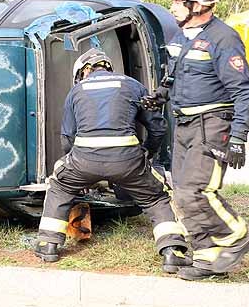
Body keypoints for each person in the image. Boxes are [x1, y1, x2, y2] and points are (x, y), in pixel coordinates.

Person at [32, 48, 191, 273]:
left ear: (85, 70)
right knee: (156, 196)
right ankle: (172, 250)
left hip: (84, 160)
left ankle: (48, 244)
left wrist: (79, 171)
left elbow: (67, 139)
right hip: (128, 161)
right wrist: (147, 153)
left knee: (59, 185)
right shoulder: (132, 85)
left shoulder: (76, 91)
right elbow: (158, 127)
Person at [151, 0, 249, 281]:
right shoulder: (182, 37)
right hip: (183, 124)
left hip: (211, 125)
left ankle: (236, 237)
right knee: (181, 192)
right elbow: (178, 74)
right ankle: (209, 259)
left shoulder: (224, 38)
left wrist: (238, 137)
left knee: (198, 190)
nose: (172, 7)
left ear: (196, 5)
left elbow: (244, 90)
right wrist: (161, 95)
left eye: (177, 2)